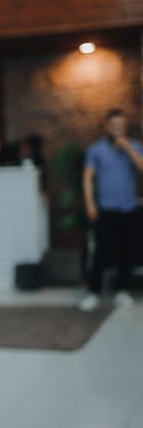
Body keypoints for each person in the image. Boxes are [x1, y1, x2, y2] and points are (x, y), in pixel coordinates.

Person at [79, 109, 143, 311]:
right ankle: (93, 292)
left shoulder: (136, 146)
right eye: (114, 125)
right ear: (107, 127)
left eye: (121, 125)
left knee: (128, 250)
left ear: (125, 127)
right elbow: (88, 177)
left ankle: (122, 291)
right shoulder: (96, 150)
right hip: (106, 208)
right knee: (101, 251)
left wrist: (129, 149)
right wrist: (90, 203)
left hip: (129, 207)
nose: (117, 129)